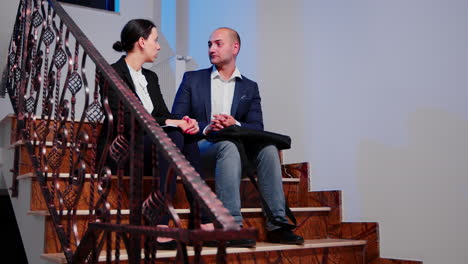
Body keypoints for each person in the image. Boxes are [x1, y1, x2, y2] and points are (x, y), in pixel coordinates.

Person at [172, 27, 304, 247]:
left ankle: (278, 225)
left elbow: (256, 127)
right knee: (227, 146)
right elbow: (177, 118)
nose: (211, 48)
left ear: (235, 48)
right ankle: (230, 226)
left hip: (235, 156)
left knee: (269, 149)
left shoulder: (250, 88)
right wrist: (208, 127)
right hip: (200, 150)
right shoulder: (192, 79)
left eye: (218, 43)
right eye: (209, 44)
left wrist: (235, 124)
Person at [100, 19, 212, 249]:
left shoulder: (151, 77)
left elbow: (161, 114)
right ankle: (167, 222)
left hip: (155, 148)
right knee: (174, 136)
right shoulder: (113, 73)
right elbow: (125, 121)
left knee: (185, 135)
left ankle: (197, 218)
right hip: (125, 146)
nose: (159, 46)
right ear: (142, 42)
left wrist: (181, 122)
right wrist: (171, 124)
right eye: (155, 40)